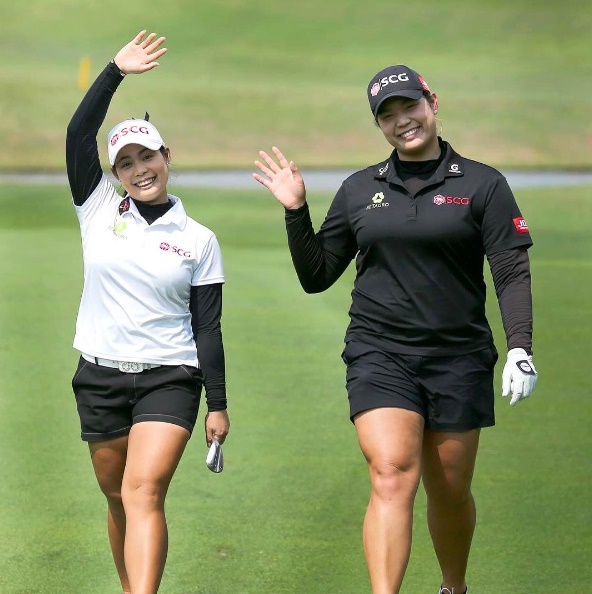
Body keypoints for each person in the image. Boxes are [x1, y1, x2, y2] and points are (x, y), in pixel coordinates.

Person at [253, 64, 537, 594]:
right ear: (379, 125)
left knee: (449, 490)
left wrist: (520, 347)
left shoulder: (483, 184)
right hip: (380, 353)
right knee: (390, 472)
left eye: (410, 106)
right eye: (388, 115)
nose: (403, 120)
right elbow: (317, 276)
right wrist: (296, 211)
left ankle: (453, 586)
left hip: (458, 357)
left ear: (432, 103)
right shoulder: (360, 189)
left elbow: (510, 271)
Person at [66, 31, 230, 594]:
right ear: (114, 173)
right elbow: (77, 133)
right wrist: (115, 70)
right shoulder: (96, 206)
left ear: (167, 157)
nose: (139, 169)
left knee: (143, 492)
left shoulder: (199, 239)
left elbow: (208, 327)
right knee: (118, 498)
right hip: (100, 375)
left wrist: (218, 403)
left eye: (147, 156)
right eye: (126, 162)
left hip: (170, 377)